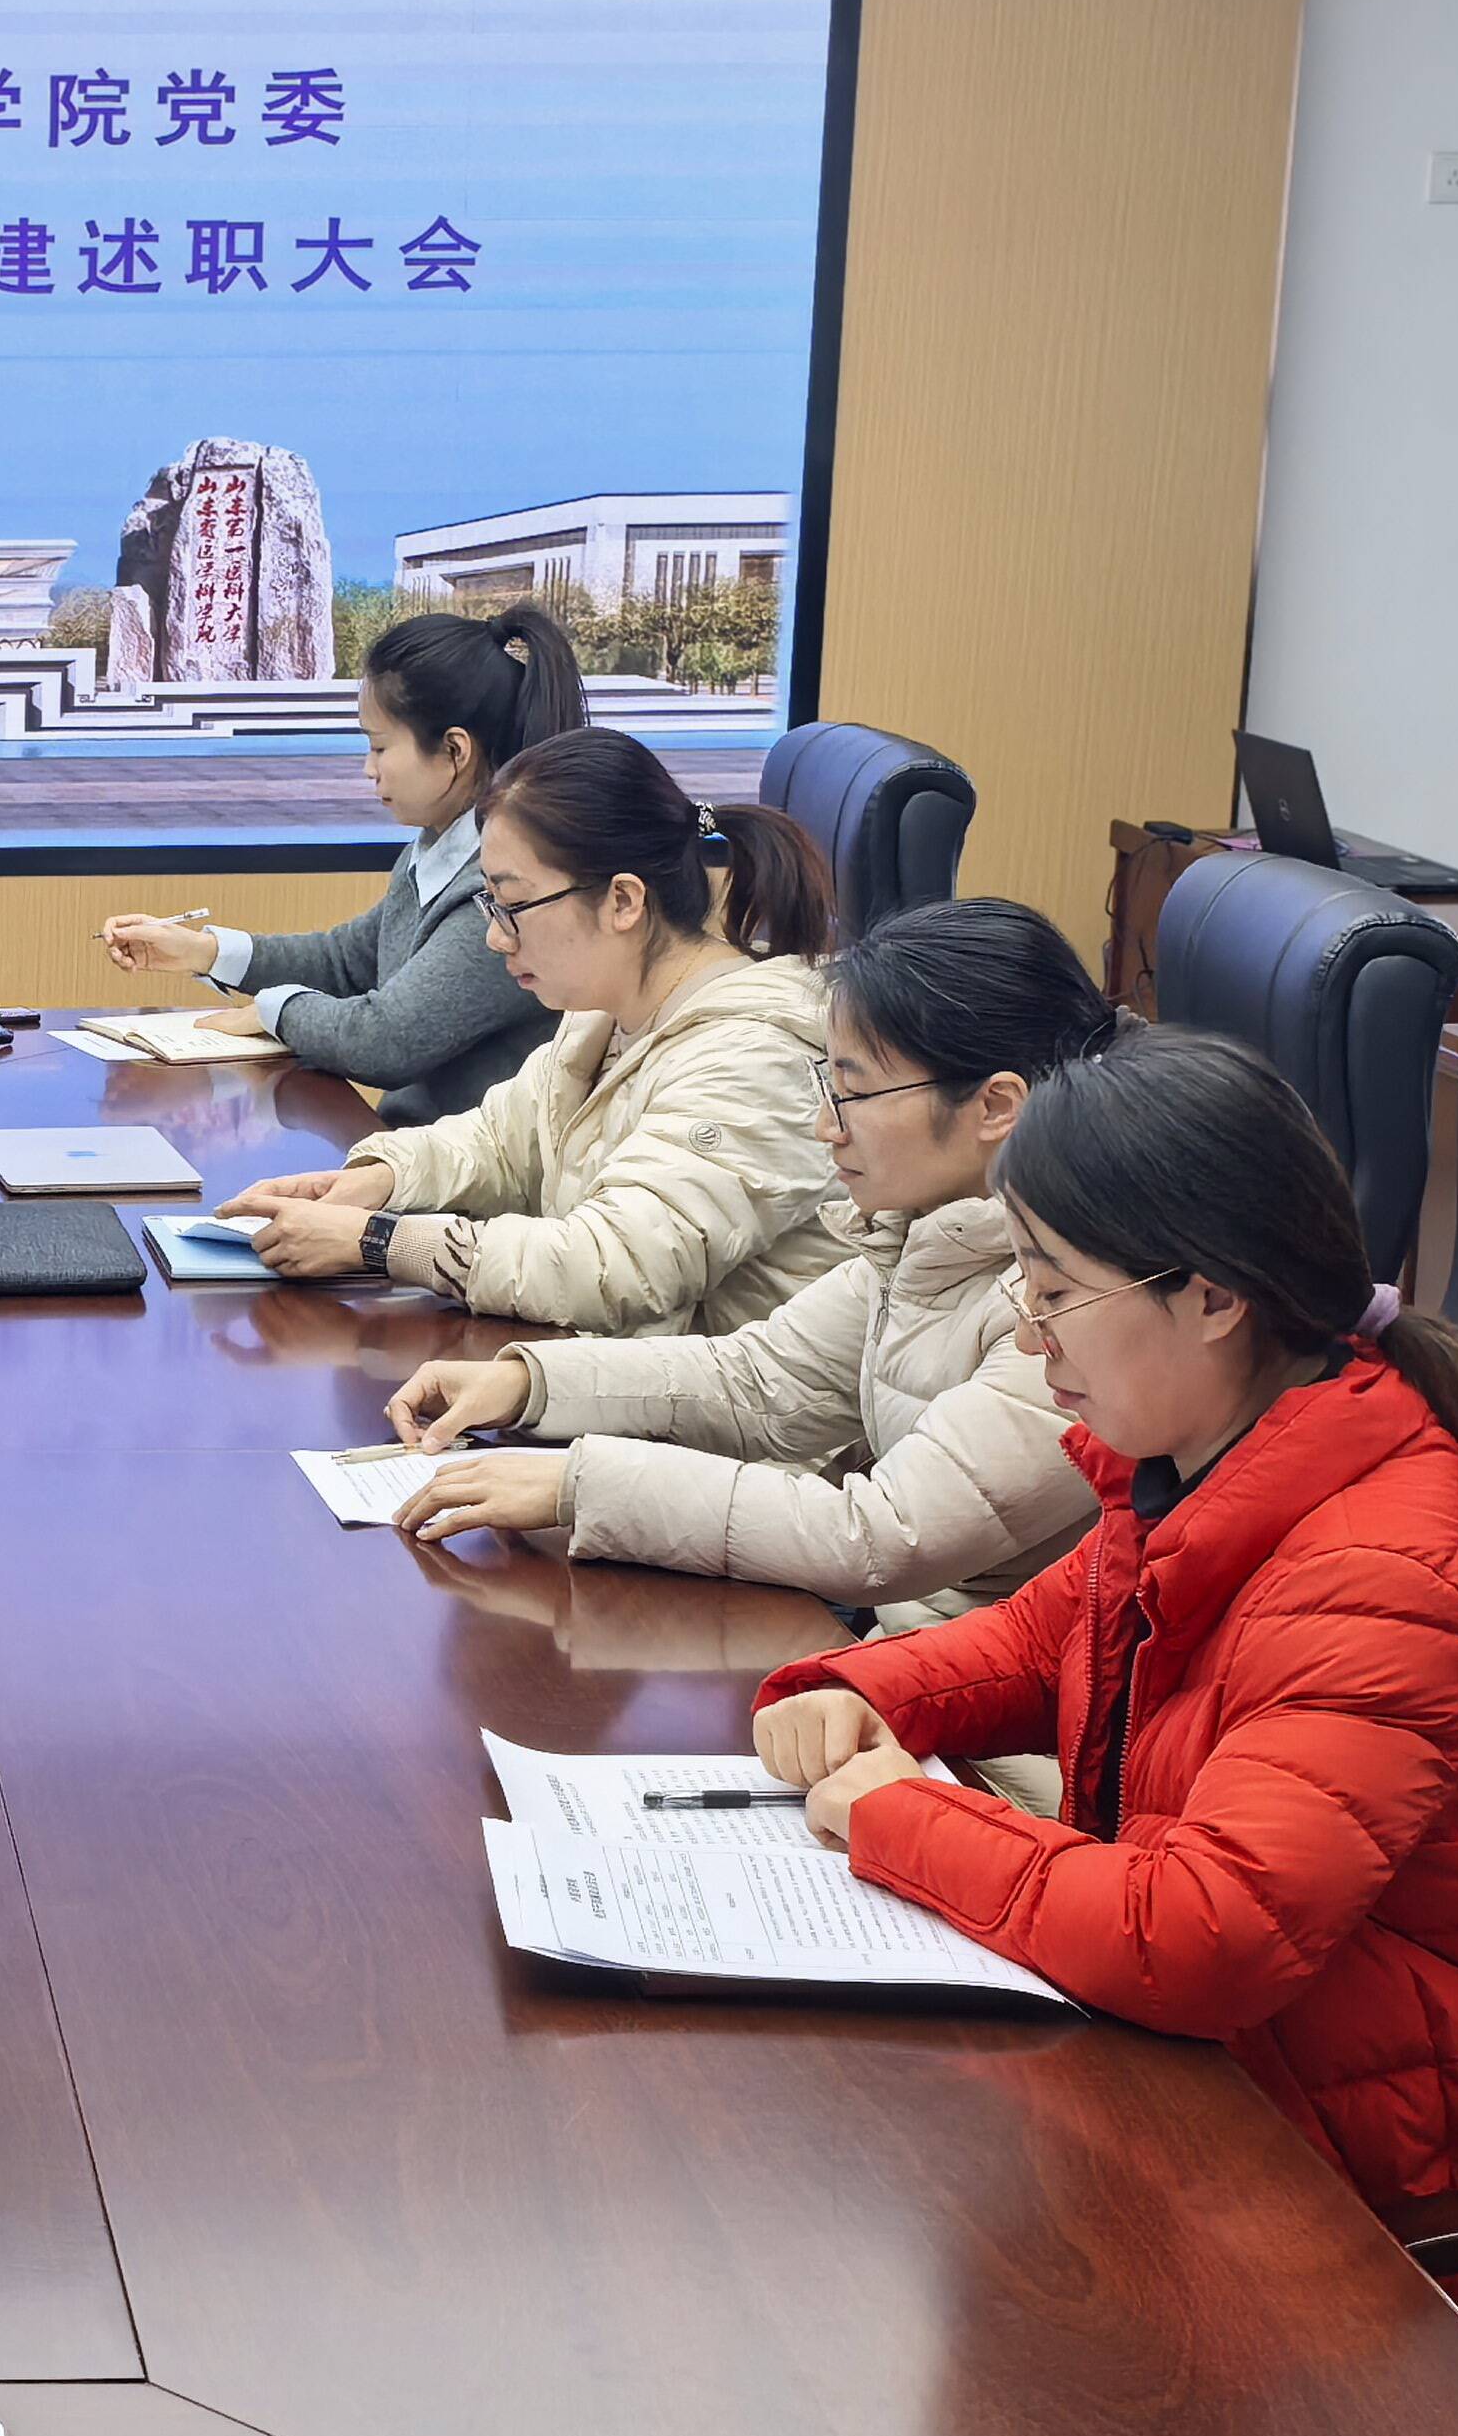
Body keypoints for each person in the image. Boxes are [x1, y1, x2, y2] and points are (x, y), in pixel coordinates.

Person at [750, 1028, 1458, 2366]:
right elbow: (1045, 1642)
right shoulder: (1211, 1457)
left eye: (1054, 1290)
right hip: (1276, 2091)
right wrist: (854, 1685)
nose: (1027, 1331)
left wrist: (900, 1815)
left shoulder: (1383, 1568)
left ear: (1213, 1298)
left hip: (1456, 2227)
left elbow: (1202, 1936)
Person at [376, 902, 1114, 1753]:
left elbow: (880, 1535)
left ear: (995, 1105)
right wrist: (529, 1383)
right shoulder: (934, 1231)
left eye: (855, 1094)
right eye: (828, 1088)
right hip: (892, 1679)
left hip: (999, 1745)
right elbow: (759, 1382)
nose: (826, 1126)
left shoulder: (1075, 1299)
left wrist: (579, 1485)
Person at [215, 726, 848, 1336]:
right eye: (491, 905)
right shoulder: (604, 1011)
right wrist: (378, 1180)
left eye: (513, 905)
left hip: (699, 1407)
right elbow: (501, 1140)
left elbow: (614, 1264)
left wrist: (379, 1242)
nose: (496, 937)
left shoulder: (752, 1059)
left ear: (623, 901)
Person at [95, 604, 577, 1122]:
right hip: (415, 1149)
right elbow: (346, 962)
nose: (369, 768)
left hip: (468, 1165)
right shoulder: (435, 852)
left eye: (380, 747)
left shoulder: (501, 890)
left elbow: (387, 1040)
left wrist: (275, 1011)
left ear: (454, 751)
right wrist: (203, 952)